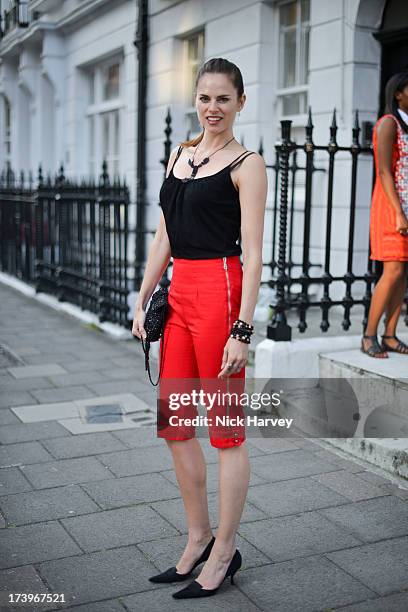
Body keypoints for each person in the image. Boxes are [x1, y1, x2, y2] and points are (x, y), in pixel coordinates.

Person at [132, 57, 267, 598]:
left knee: (226, 432)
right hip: (180, 292)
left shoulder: (247, 164)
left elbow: (254, 257)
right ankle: (197, 539)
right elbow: (164, 236)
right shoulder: (181, 155)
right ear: (196, 100)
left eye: (223, 99)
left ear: (240, 103)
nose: (213, 108)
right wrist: (142, 299)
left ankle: (226, 552)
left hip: (221, 290)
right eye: (205, 98)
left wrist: (242, 330)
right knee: (175, 426)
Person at [362, 70, 408, 358]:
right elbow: (383, 171)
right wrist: (399, 213)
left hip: (406, 204)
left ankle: (390, 335)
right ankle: (369, 336)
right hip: (391, 207)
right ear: (398, 94)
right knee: (391, 271)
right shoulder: (388, 124)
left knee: (402, 272)